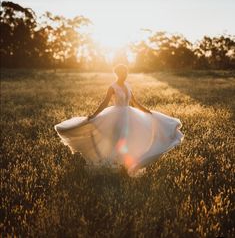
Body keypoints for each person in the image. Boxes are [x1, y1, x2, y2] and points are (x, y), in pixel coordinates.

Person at [54, 64, 184, 176]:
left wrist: (147, 111)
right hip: (116, 116)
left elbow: (134, 102)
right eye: (122, 73)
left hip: (130, 115)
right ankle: (114, 164)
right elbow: (105, 103)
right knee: (118, 139)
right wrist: (94, 115)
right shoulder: (112, 87)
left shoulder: (128, 85)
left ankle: (128, 164)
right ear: (117, 74)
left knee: (130, 139)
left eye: (126, 73)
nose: (125, 75)